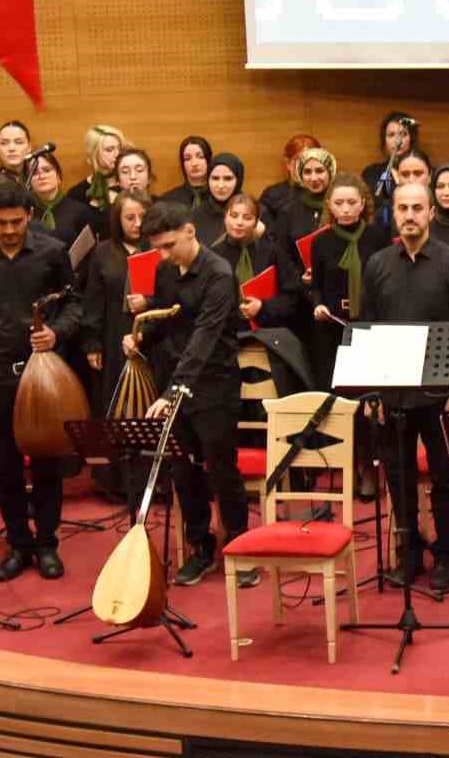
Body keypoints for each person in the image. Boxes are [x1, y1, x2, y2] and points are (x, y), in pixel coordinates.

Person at [127, 201, 258, 587]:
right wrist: (139, 336)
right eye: (158, 248)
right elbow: (168, 320)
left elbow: (204, 337)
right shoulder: (165, 271)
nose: (164, 255)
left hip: (213, 383)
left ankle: (240, 546)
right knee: (182, 469)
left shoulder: (219, 274)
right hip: (175, 379)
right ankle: (201, 546)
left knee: (221, 468)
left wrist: (173, 391)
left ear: (189, 231)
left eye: (169, 245)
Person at [0, 180, 81, 581]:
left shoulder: (52, 251)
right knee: (5, 463)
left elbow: (74, 305)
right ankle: (18, 544)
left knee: (47, 459)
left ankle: (47, 544)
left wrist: (56, 333)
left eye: (16, 222)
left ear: (30, 215)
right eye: (0, 223)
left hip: (42, 371)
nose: (9, 230)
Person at [360, 181, 449, 593]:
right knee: (398, 475)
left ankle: (446, 555)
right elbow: (368, 327)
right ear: (393, 212)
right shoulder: (377, 264)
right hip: (393, 390)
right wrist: (372, 392)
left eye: (417, 208)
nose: (409, 215)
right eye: (402, 208)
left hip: (439, 393)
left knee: (445, 475)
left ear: (430, 213)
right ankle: (410, 552)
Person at [305, 174, 387, 389]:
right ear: (329, 205)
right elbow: (316, 285)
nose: (346, 209)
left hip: (369, 325)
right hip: (332, 326)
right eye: (339, 203)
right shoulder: (320, 241)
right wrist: (318, 305)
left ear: (362, 203)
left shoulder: (378, 237)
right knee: (335, 387)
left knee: (367, 387)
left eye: (352, 202)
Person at [81, 190, 151, 414]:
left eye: (143, 217)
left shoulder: (158, 248)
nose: (137, 224)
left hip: (152, 335)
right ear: (118, 220)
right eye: (130, 218)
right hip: (113, 335)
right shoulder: (103, 252)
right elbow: (93, 301)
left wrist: (148, 302)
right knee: (113, 398)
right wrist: (93, 344)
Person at [209, 192, 301, 331]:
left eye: (247, 218)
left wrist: (263, 306)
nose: (239, 223)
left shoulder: (271, 251)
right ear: (225, 218)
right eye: (233, 216)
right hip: (225, 333)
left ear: (256, 222)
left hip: (266, 331)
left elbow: (291, 298)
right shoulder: (213, 256)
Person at [275, 146, 336, 260]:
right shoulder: (288, 211)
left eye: (319, 171)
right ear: (300, 175)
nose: (313, 178)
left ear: (330, 172)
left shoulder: (340, 205)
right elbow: (282, 254)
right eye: (307, 172)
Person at [25, 151, 92, 249]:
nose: (41, 176)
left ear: (58, 177)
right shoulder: (26, 212)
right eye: (34, 173)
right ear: (29, 181)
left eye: (47, 170)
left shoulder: (79, 210)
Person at [65, 124, 125, 226]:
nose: (117, 154)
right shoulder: (77, 194)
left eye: (120, 148)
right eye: (109, 150)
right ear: (93, 153)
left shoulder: (129, 185)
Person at [360, 110, 418, 207]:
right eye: (391, 135)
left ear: (412, 139)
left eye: (403, 134)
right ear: (384, 142)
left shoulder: (424, 172)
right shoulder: (371, 174)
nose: (397, 141)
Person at [258, 133, 322, 221]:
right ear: (288, 163)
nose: (304, 165)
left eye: (310, 159)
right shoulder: (272, 195)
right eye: (299, 160)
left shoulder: (329, 194)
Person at [192, 152, 244, 245]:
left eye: (228, 178)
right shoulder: (196, 216)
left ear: (238, 180)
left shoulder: (255, 214)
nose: (220, 185)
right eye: (215, 178)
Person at [165, 135, 214, 209]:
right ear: (182, 164)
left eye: (200, 157)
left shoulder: (219, 196)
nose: (194, 163)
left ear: (209, 160)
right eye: (187, 158)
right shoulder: (169, 200)